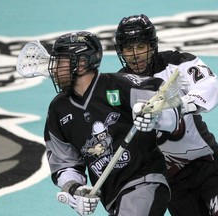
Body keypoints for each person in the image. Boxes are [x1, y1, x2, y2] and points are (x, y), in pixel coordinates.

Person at [114, 14, 218, 216]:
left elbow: (209, 85)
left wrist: (182, 105)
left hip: (206, 164)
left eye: (140, 47)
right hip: (170, 179)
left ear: (152, 45)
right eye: (128, 49)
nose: (135, 54)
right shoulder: (120, 85)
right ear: (120, 51)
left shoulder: (177, 63)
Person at [43, 31, 181, 216]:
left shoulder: (118, 85)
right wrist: (77, 191)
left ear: (82, 62)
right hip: (114, 198)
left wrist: (155, 117)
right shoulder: (58, 110)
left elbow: (169, 97)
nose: (54, 68)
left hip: (145, 181)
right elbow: (65, 164)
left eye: (61, 61)